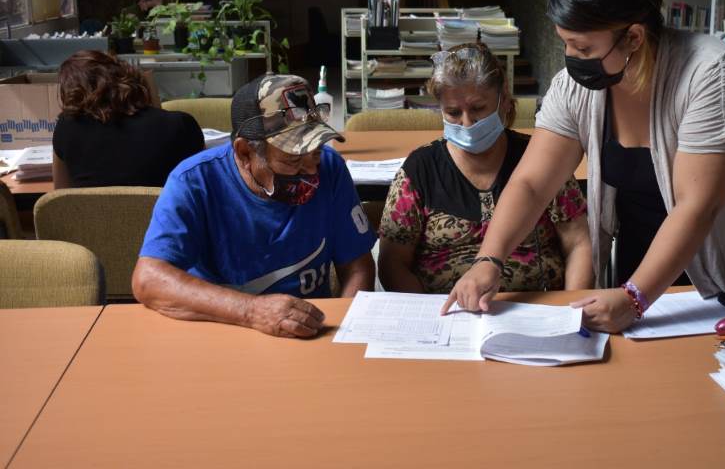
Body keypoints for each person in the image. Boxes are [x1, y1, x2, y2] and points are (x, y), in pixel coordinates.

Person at [442, 0, 725, 332]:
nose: (572, 59)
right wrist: (489, 261)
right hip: (646, 259)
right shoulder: (574, 86)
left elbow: (697, 206)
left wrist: (634, 298)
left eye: (582, 47)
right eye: (565, 44)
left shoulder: (710, 73)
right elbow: (532, 183)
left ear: (633, 38)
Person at [132, 75, 376, 338]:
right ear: (245, 153)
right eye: (292, 159)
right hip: (218, 330)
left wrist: (347, 332)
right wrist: (252, 311)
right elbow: (148, 279)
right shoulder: (193, 182)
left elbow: (357, 266)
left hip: (308, 333)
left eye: (315, 152)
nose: (310, 169)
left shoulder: (330, 168)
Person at [378, 43, 592, 294]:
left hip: (538, 308)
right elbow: (392, 262)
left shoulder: (540, 159)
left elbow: (578, 243)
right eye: (453, 112)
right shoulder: (420, 170)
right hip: (447, 315)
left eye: (478, 108)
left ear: (504, 99)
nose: (467, 123)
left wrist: (572, 310)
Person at [52, 50, 204, 188]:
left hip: (94, 218)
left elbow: (60, 200)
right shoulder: (179, 126)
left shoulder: (67, 129)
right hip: (163, 218)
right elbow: (206, 190)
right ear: (127, 76)